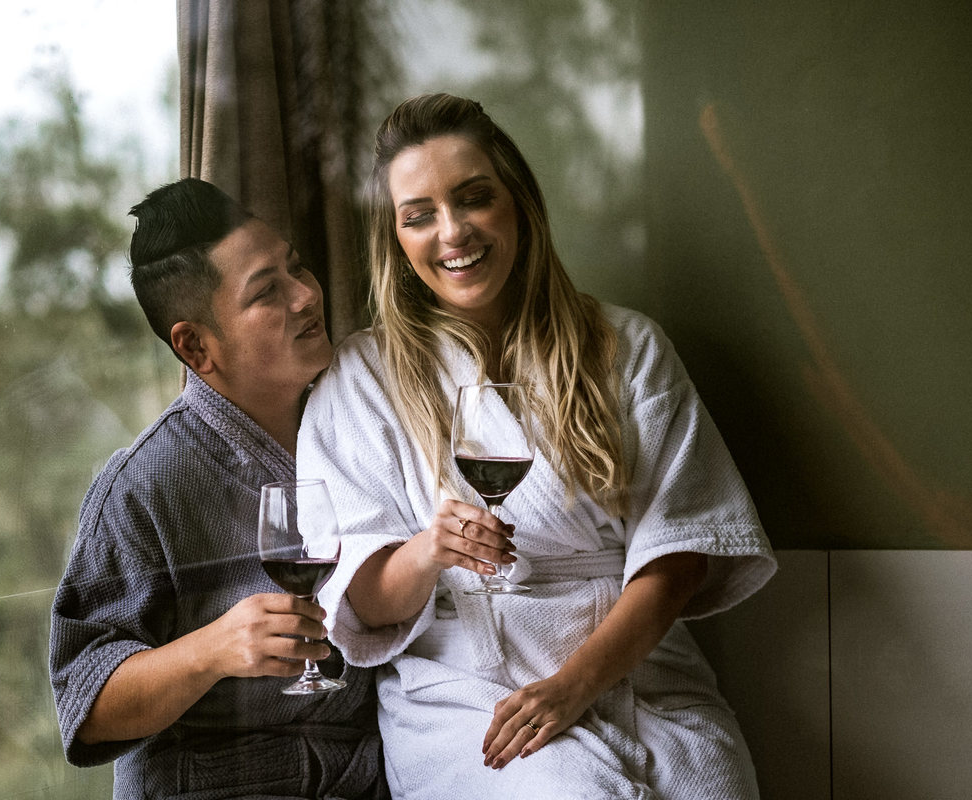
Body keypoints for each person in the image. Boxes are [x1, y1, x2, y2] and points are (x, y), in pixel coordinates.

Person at [297, 93, 778, 798]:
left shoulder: (627, 347)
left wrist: (574, 684)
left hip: (638, 669)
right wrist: (430, 550)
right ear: (395, 238)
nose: (453, 232)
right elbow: (363, 604)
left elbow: (678, 556)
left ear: (518, 202)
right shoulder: (362, 378)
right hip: (468, 689)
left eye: (474, 198)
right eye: (420, 214)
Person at [49, 178, 389, 799]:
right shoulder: (143, 487)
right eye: (267, 291)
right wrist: (212, 650)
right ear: (196, 346)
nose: (307, 295)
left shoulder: (363, 427)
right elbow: (84, 706)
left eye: (298, 268)